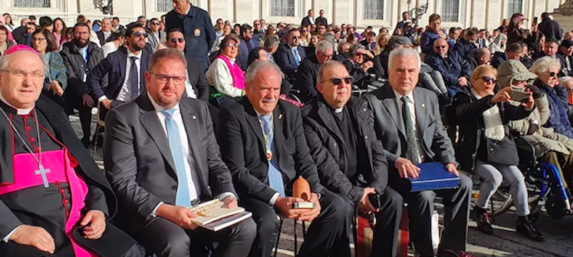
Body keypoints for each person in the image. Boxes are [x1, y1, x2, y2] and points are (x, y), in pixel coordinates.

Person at [0, 47, 138, 257]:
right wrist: (14, 229)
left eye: (36, 74)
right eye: (19, 73)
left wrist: (98, 208)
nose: (28, 82)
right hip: (19, 224)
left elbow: (85, 171)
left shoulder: (53, 115)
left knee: (129, 250)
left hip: (78, 224)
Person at [103, 48, 255, 257]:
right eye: (163, 77)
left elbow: (214, 162)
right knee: (176, 242)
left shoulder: (198, 110)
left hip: (201, 206)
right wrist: (165, 209)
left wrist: (227, 194)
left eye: (177, 79)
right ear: (148, 78)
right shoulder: (124, 117)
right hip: (154, 210)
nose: (170, 85)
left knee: (245, 227)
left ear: (185, 81)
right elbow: (122, 181)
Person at [217, 61, 350, 257]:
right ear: (248, 88)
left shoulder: (290, 112)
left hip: (289, 187)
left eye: (276, 89)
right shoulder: (233, 115)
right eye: (265, 89)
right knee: (267, 221)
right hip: (256, 193)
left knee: (337, 206)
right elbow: (237, 171)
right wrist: (276, 200)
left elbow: (304, 158)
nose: (271, 95)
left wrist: (314, 193)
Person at [364, 48, 474, 257]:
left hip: (427, 166)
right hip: (395, 171)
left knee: (464, 184)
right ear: (389, 72)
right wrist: (396, 159)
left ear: (418, 73)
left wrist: (449, 161)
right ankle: (425, 252)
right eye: (400, 70)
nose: (406, 76)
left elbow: (440, 135)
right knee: (423, 195)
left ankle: (451, 248)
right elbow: (369, 143)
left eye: (411, 71)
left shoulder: (428, 97)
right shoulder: (373, 101)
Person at [302, 61, 402, 256]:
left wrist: (375, 189)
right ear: (320, 87)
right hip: (330, 186)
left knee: (392, 200)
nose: (343, 86)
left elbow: (377, 150)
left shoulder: (359, 107)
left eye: (347, 80)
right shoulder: (309, 117)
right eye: (336, 81)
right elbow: (325, 166)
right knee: (343, 206)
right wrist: (357, 195)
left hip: (362, 181)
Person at [450, 65, 544, 241]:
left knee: (518, 179)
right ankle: (480, 210)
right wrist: (491, 100)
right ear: (473, 81)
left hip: (499, 149)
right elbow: (463, 112)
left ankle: (523, 219)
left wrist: (526, 108)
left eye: (493, 80)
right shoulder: (464, 97)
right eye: (486, 79)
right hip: (476, 152)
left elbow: (511, 114)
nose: (490, 83)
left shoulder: (498, 98)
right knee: (495, 178)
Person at [497, 60, 573, 189]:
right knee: (550, 152)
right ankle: (560, 191)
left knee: (570, 148)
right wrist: (531, 125)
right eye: (520, 81)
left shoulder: (526, 94)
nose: (524, 84)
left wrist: (539, 98)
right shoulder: (505, 98)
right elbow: (512, 123)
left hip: (538, 132)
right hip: (519, 139)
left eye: (526, 81)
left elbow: (542, 119)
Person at [530, 57, 573, 174]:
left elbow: (563, 105)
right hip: (553, 134)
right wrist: (566, 136)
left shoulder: (551, 90)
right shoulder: (538, 92)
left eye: (557, 74)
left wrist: (558, 86)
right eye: (552, 74)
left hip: (565, 132)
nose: (555, 78)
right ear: (538, 73)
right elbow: (550, 121)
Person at [89, 23, 152, 120]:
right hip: (118, 104)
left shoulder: (150, 59)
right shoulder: (114, 57)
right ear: (128, 39)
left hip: (142, 106)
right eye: (137, 34)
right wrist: (103, 99)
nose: (142, 37)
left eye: (145, 35)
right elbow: (93, 77)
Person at [60, 23, 103, 146]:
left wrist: (102, 93)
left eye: (84, 33)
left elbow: (102, 72)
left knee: (105, 103)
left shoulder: (97, 50)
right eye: (78, 33)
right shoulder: (66, 51)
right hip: (76, 87)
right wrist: (83, 93)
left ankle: (99, 136)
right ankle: (86, 136)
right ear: (73, 34)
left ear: (89, 34)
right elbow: (71, 75)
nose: (81, 36)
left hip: (94, 86)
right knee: (84, 104)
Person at [165, 0, 216, 69]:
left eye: (176, 2)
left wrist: (201, 51)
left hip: (199, 62)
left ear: (186, 1)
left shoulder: (202, 15)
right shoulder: (170, 17)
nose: (174, 5)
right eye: (173, 2)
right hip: (178, 61)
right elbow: (169, 38)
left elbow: (211, 37)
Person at [165, 29, 209, 101]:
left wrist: (203, 103)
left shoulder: (193, 60)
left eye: (180, 40)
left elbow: (203, 85)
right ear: (167, 43)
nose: (177, 43)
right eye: (173, 40)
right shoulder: (163, 63)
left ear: (184, 42)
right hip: (176, 102)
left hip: (196, 100)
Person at [30, 29, 67, 108]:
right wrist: (49, 86)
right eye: (34, 39)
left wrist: (57, 82)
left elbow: (63, 73)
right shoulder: (30, 57)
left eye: (40, 39)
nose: (36, 42)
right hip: (40, 91)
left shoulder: (56, 56)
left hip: (56, 89)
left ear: (48, 40)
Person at [206, 34, 245, 108]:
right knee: (239, 108)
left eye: (235, 45)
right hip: (219, 97)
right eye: (229, 45)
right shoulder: (219, 62)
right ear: (222, 49)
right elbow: (223, 88)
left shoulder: (234, 65)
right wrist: (242, 92)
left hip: (232, 96)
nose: (233, 48)